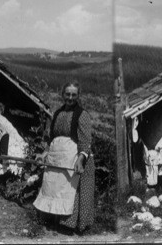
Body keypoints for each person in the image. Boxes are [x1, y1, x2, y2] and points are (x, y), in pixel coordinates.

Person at [33, 82, 94, 234]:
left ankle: (74, 225)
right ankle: (55, 221)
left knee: (74, 191)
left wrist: (80, 159)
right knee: (56, 189)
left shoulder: (82, 115)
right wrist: (44, 153)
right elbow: (51, 137)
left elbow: (85, 141)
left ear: (78, 96)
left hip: (77, 159)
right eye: (68, 94)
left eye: (74, 94)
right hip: (59, 158)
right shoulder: (58, 113)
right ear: (63, 94)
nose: (70, 98)